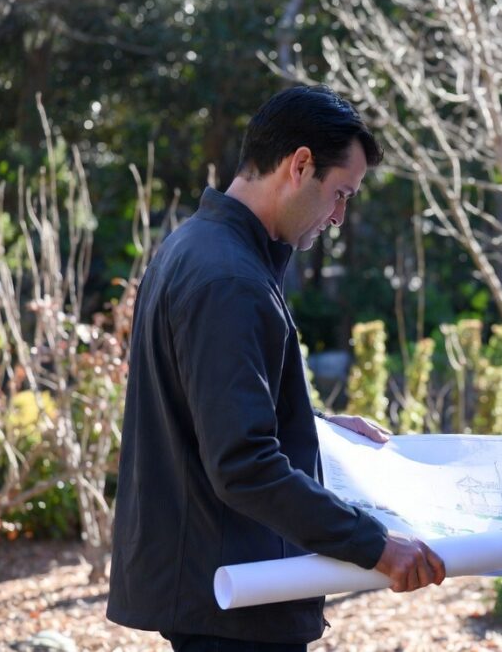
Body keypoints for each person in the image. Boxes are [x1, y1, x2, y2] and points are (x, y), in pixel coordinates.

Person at [108, 85, 446, 651]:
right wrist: (378, 546)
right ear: (300, 165)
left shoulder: (195, 247)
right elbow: (244, 464)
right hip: (233, 603)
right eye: (340, 195)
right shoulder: (230, 279)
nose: (338, 217)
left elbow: (210, 411)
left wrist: (317, 428)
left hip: (215, 588)